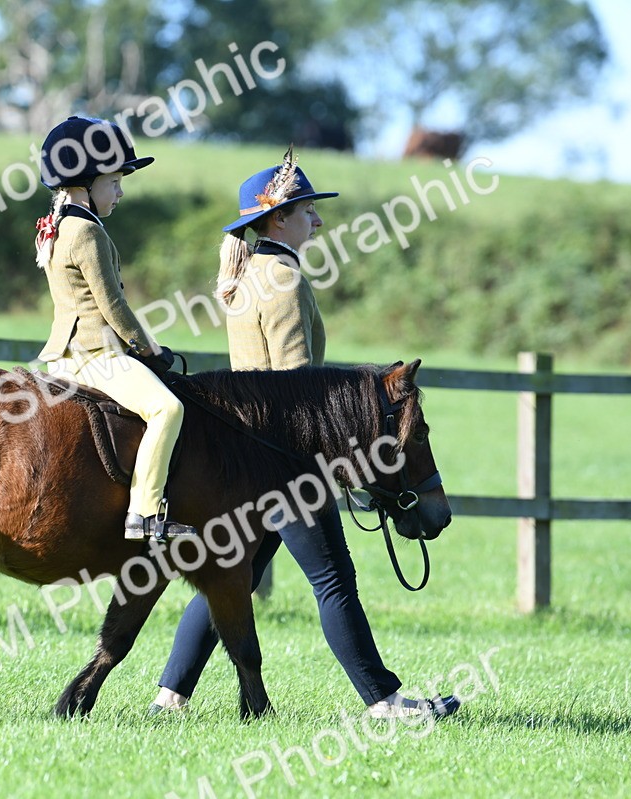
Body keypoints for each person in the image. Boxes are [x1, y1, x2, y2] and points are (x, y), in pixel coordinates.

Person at [148, 148, 460, 719]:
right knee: (334, 580)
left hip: (248, 454)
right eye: (306, 210)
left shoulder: (245, 276)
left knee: (232, 575)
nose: (317, 220)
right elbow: (295, 390)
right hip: (288, 461)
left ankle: (170, 697)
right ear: (276, 220)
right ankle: (385, 703)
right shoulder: (283, 277)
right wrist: (333, 454)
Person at [34, 115, 197, 541]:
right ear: (86, 181)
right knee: (168, 409)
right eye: (115, 181)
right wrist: (148, 349)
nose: (121, 191)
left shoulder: (58, 227)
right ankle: (143, 513)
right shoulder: (87, 232)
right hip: (95, 355)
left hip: (60, 358)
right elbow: (113, 305)